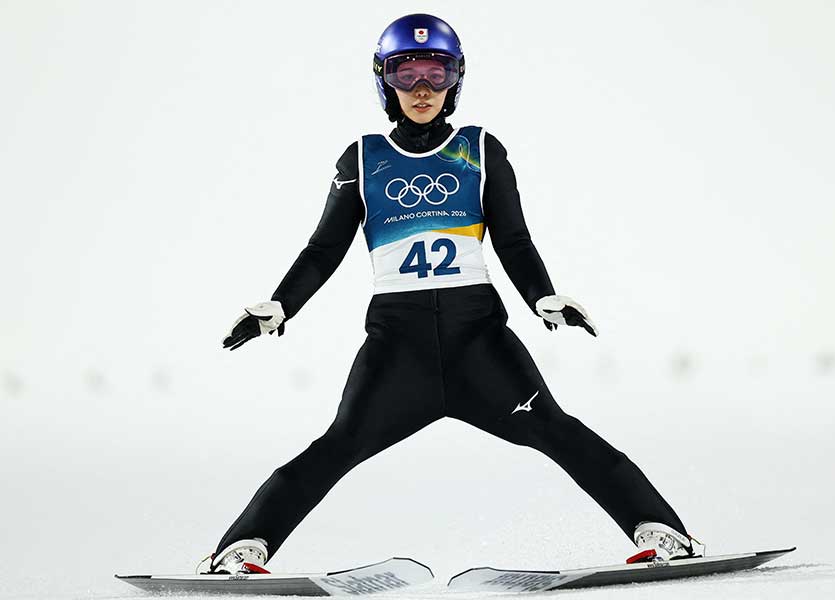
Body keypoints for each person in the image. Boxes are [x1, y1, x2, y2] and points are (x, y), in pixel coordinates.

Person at [202, 13, 697, 575]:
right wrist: (279, 307)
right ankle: (240, 551)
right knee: (337, 444)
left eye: (436, 72)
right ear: (383, 80)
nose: (421, 88)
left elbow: (513, 239)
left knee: (557, 430)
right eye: (405, 72)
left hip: (478, 342)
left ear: (455, 80)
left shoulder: (480, 149)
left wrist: (544, 297)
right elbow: (323, 249)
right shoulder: (362, 159)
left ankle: (664, 534)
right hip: (398, 348)